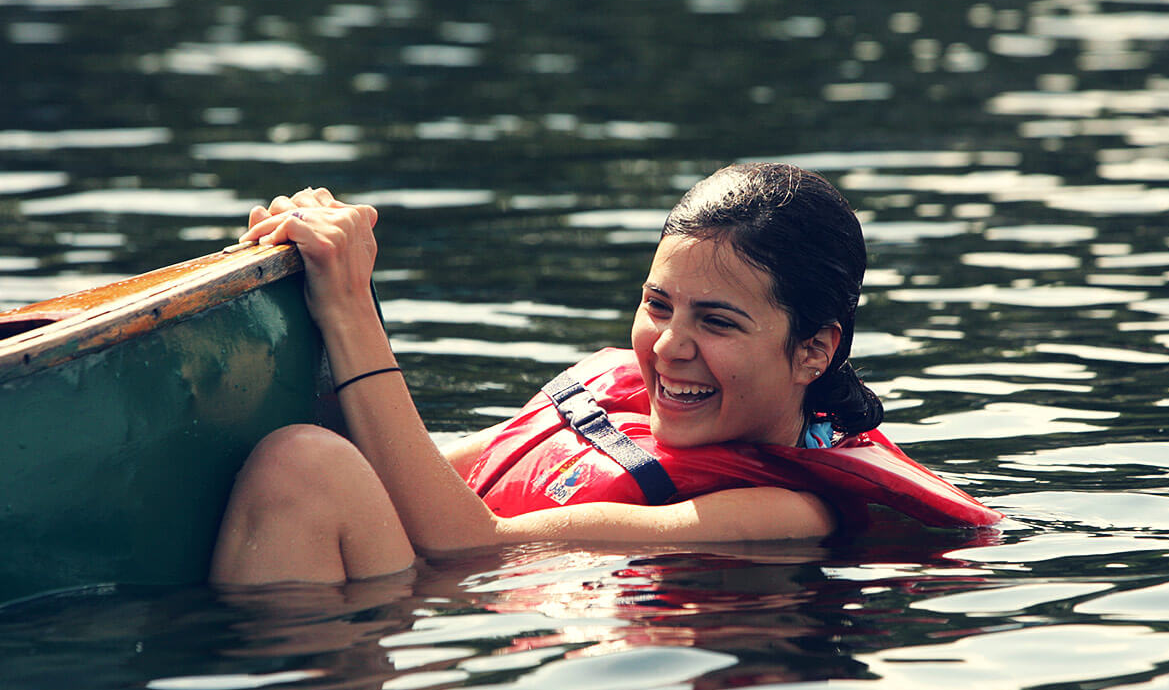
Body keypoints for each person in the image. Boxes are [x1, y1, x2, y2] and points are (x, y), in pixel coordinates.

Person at [210, 163, 992, 586]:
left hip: (432, 638)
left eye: (716, 321)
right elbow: (411, 475)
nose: (670, 346)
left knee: (305, 467)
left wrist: (354, 310)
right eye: (658, 305)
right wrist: (303, 290)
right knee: (306, 450)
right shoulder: (615, 394)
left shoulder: (784, 512)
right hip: (402, 615)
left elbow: (470, 545)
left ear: (814, 350)